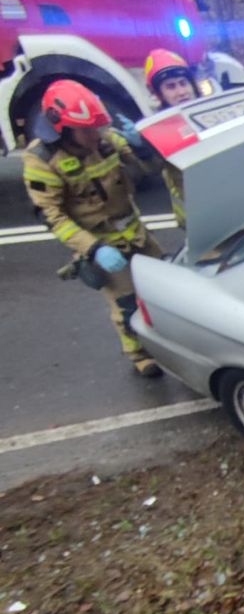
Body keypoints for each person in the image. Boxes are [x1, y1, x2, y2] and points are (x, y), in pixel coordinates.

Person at [23, 80, 165, 377]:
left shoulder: (105, 139)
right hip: (102, 242)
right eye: (86, 130)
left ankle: (167, 339)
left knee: (164, 286)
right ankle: (139, 354)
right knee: (126, 303)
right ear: (60, 127)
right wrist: (94, 249)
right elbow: (53, 217)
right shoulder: (42, 162)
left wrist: (146, 147)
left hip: (134, 230)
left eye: (96, 127)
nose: (94, 135)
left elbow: (150, 171)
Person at [144, 48, 198, 228]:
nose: (181, 91)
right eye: (171, 87)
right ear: (159, 95)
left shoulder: (211, 114)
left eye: (183, 83)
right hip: (195, 222)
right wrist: (142, 148)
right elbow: (150, 167)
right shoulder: (158, 130)